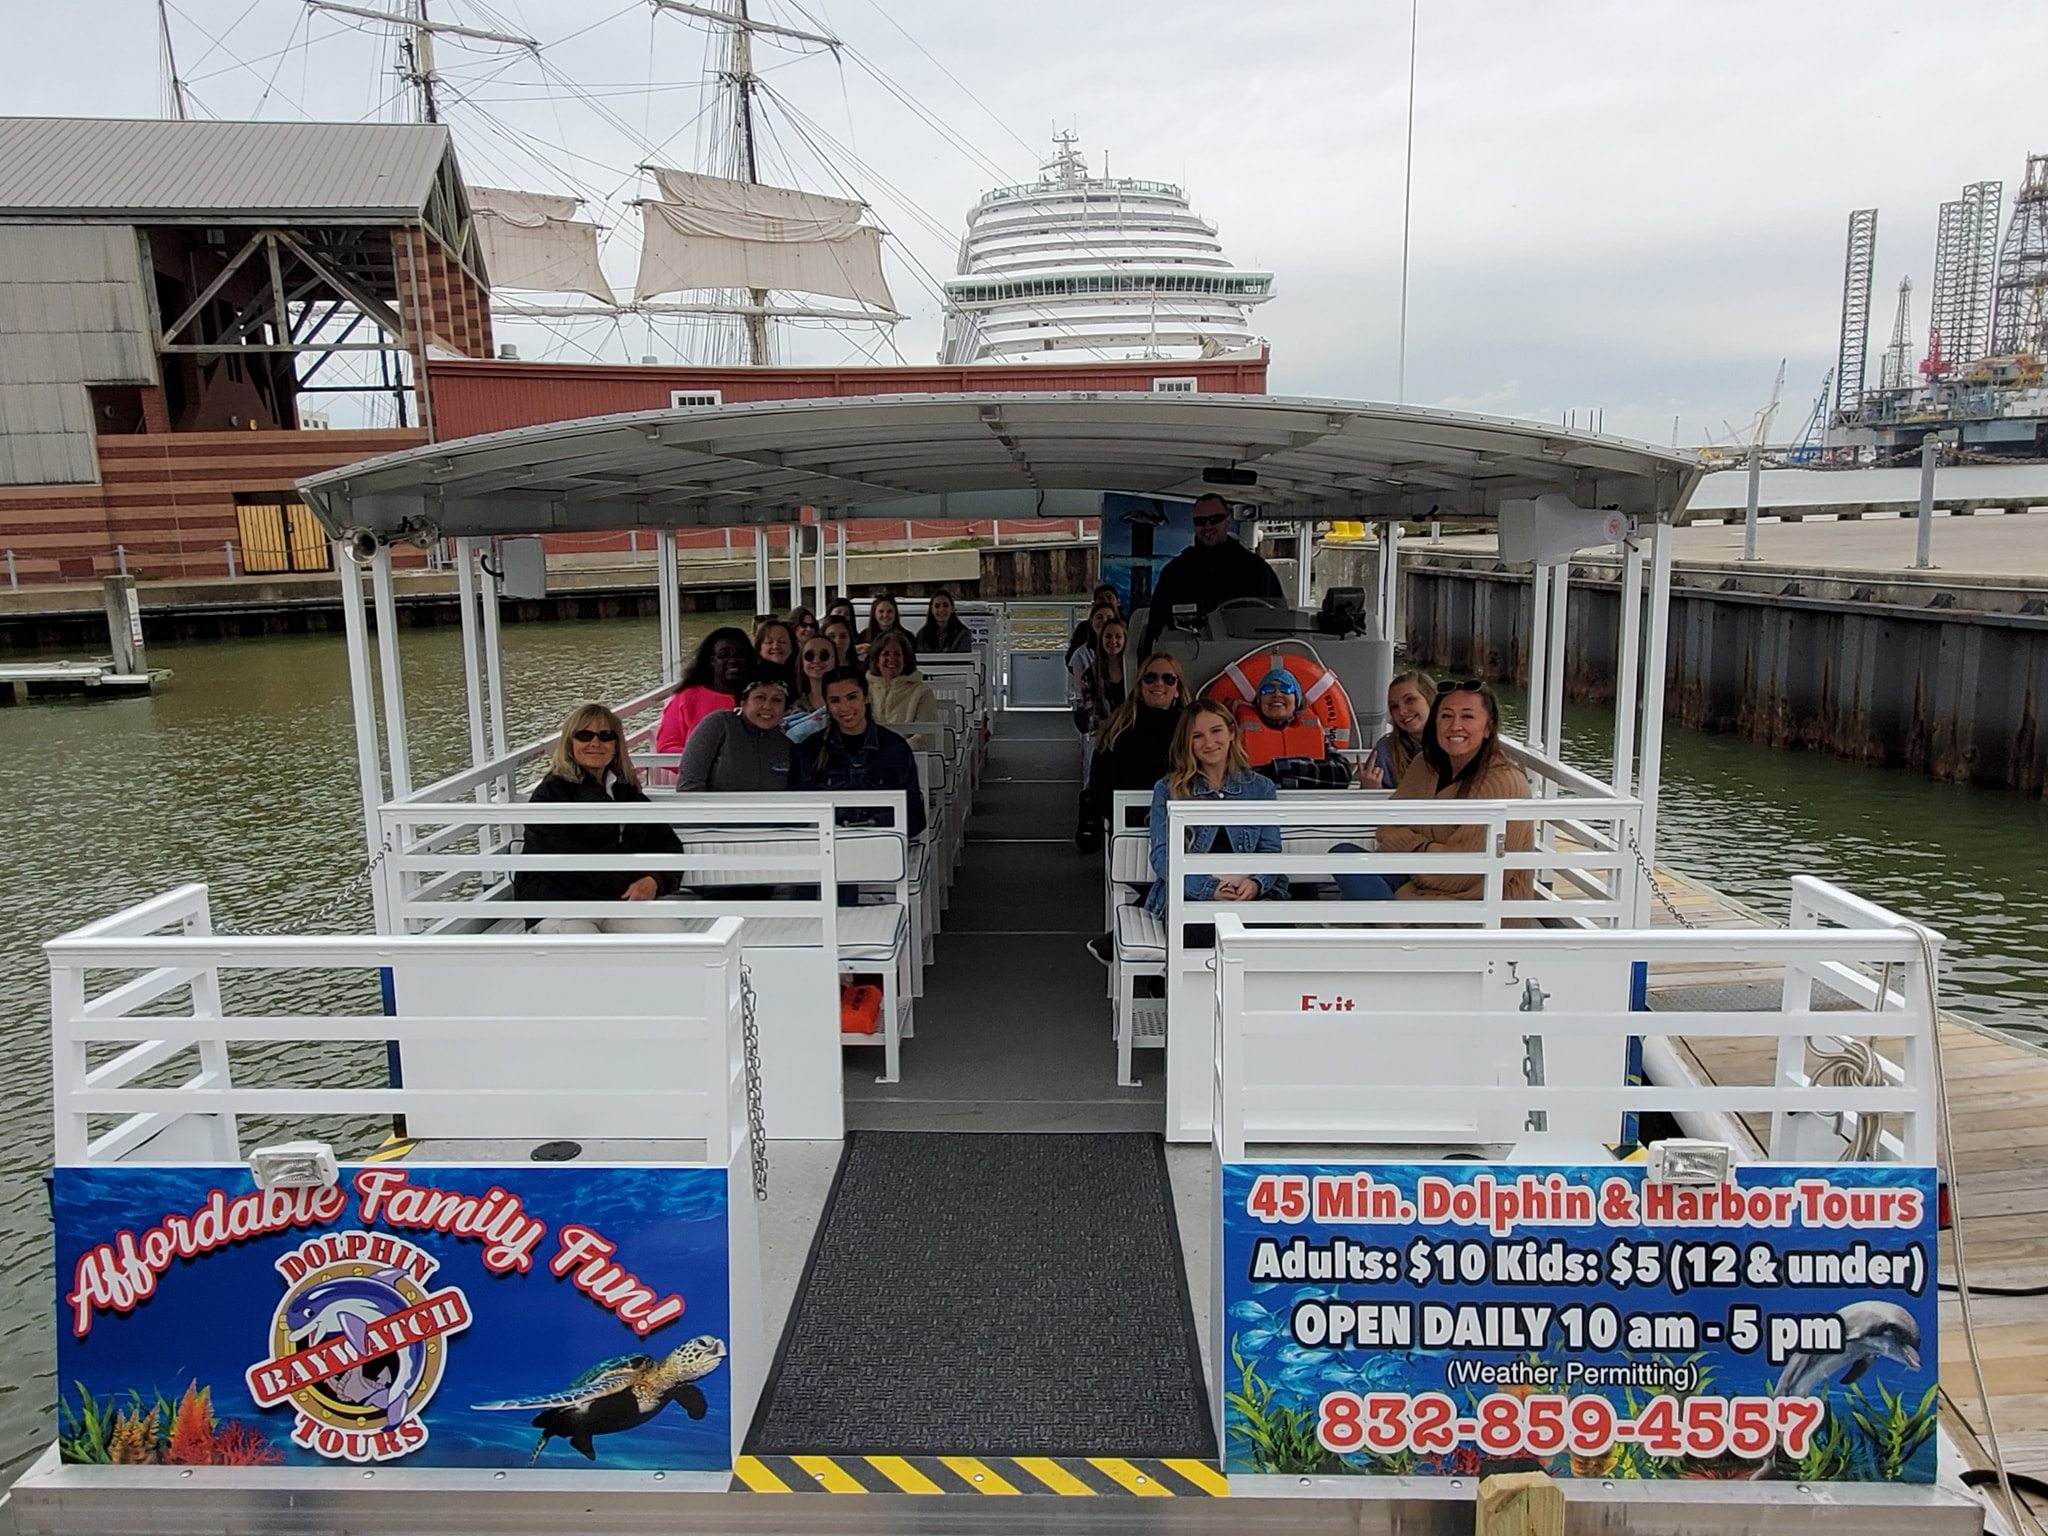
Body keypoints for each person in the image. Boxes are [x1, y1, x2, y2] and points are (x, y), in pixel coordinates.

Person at [1087, 699, 1284, 965]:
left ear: (1231, 732)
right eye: (1197, 736)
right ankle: (1192, 1003)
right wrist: (1209, 889)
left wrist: (1256, 883)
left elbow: (1270, 850)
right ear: (1186, 743)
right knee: (1199, 941)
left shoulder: (1261, 788)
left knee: (1269, 943)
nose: (1209, 742)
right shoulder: (1168, 789)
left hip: (1250, 898)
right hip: (1190, 898)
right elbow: (1162, 857)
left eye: (1216, 731)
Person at [1340, 680, 1534, 906]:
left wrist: (1410, 850)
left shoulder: (1503, 782)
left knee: (1363, 894)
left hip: (1476, 903)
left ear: (1488, 728)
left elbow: (1462, 874)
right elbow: (1386, 827)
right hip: (1416, 880)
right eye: (1446, 716)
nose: (1455, 726)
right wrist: (1429, 849)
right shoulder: (1424, 765)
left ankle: (1393, 930)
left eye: (1467, 717)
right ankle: (1392, 924)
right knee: (1343, 856)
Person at [513, 704, 687, 933]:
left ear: (616, 745)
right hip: (561, 907)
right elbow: (563, 864)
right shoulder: (552, 793)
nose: (595, 743)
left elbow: (668, 844)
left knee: (673, 937)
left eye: (606, 736)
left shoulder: (625, 791)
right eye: (584, 735)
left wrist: (654, 880)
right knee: (586, 948)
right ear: (569, 744)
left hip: (619, 904)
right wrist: (629, 880)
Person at [792, 666, 925, 841]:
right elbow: (797, 811)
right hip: (827, 845)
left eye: (852, 697)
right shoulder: (810, 750)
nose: (844, 707)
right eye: (835, 700)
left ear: (866, 697)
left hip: (883, 844)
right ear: (827, 705)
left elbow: (915, 815)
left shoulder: (894, 748)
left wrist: (876, 824)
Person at [1142, 493, 1285, 650]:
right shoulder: (1175, 573)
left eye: (1215, 520)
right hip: (1188, 661)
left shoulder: (1256, 570)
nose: (1208, 527)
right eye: (1200, 521)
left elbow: (1279, 623)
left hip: (1245, 660)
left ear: (1228, 520)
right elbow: (1155, 628)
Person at [1077, 651, 1187, 850]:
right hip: (1131, 829)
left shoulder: (1192, 730)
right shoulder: (1118, 729)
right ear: (1140, 686)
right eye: (1150, 677)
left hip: (1183, 827)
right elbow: (1100, 783)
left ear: (1177, 689)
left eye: (1168, 679)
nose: (1159, 684)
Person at [677, 671, 795, 792]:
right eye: (760, 697)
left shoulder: (788, 739)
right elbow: (689, 785)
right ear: (743, 702)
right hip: (714, 809)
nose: (767, 706)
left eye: (777, 700)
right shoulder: (719, 725)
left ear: (786, 709)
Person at [1240, 666, 1353, 789]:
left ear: (1296, 700)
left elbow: (1342, 773)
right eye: (1268, 689)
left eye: (1286, 689)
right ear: (1259, 701)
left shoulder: (1318, 735)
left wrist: (1279, 768)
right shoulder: (1237, 735)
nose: (1277, 694)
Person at [654, 627, 754, 753]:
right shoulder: (687, 696)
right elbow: (666, 747)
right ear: (712, 660)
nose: (733, 660)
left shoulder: (761, 695)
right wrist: (707, 762)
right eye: (723, 655)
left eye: (739, 655)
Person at [865, 630, 940, 752]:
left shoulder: (922, 692)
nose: (891, 659)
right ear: (876, 661)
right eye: (885, 654)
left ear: (905, 660)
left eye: (897, 654)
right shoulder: (863, 690)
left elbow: (926, 738)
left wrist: (894, 751)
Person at [1362, 671, 1437, 789]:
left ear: (1431, 698)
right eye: (1394, 707)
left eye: (1409, 700)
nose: (1402, 711)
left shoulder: (1456, 742)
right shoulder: (1385, 752)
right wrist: (1370, 791)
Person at [785, 633, 840, 744]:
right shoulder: (791, 705)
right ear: (802, 662)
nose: (816, 660)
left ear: (835, 661)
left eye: (824, 655)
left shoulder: (847, 703)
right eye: (809, 656)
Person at [1067, 583, 1121, 661]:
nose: (1105, 601)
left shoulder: (1127, 626)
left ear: (1118, 602)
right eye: (1101, 598)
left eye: (1109, 598)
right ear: (1094, 604)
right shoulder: (1083, 628)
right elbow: (1070, 658)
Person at [914, 587, 974, 654]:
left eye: (945, 605)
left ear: (952, 608)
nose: (941, 610)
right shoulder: (922, 635)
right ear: (931, 610)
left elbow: (964, 661)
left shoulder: (963, 634)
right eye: (937, 606)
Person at [859, 592, 910, 659]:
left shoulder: (908, 637)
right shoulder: (863, 637)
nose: (885, 615)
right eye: (881, 611)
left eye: (889, 611)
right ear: (874, 614)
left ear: (895, 613)